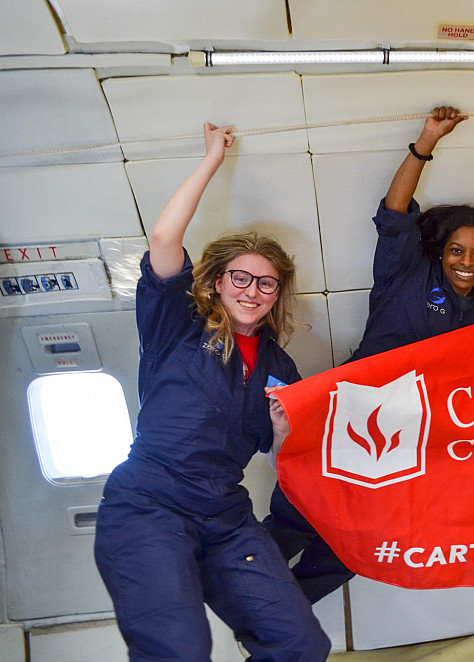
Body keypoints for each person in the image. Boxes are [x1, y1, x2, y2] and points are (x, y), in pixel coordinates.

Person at [264, 106, 474, 603]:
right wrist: (426, 142)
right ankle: (244, 592)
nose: (467, 261)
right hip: (358, 413)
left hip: (416, 441)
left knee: (365, 537)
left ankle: (284, 613)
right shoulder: (405, 273)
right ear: (441, 252)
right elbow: (394, 211)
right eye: (458, 250)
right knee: (300, 513)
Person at [93, 123, 330, 661]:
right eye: (240, 278)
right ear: (217, 282)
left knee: (300, 645)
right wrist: (211, 159)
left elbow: (282, 449)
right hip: (149, 506)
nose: (253, 290)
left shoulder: (280, 366)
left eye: (266, 282)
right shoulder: (176, 324)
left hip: (225, 516)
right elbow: (163, 241)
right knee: (179, 650)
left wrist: (285, 431)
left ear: (277, 294)